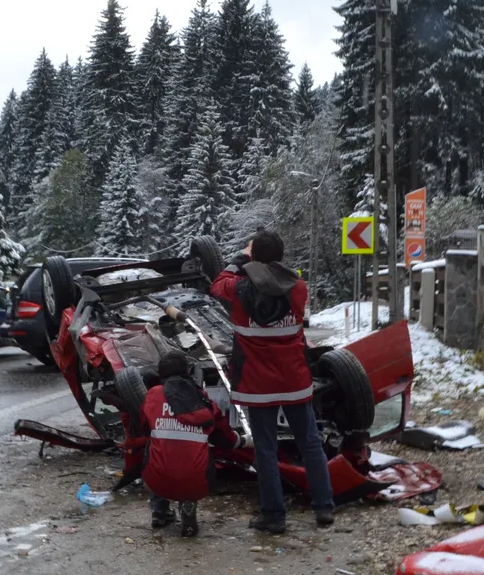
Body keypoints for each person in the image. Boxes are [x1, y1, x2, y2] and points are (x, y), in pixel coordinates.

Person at [210, 229, 334, 535]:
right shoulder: (299, 288)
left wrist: (242, 257)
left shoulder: (237, 288)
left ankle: (274, 515)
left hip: (257, 385)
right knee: (310, 443)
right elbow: (281, 279)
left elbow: (216, 285)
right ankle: (323, 507)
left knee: (265, 448)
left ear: (254, 256)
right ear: (280, 256)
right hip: (295, 381)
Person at [134, 351, 251, 538]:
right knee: (197, 451)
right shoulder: (203, 399)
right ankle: (188, 503)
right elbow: (225, 440)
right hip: (198, 482)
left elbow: (143, 429)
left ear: (161, 375)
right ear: (188, 372)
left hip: (158, 480)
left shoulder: (153, 396)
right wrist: (243, 440)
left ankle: (160, 512)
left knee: (155, 445)